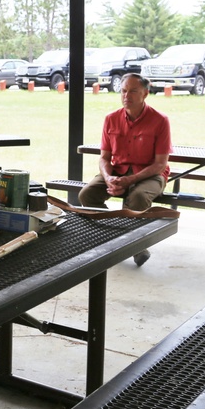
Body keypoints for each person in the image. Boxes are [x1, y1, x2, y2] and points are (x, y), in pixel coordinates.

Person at [79, 73, 172, 266]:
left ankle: (135, 246)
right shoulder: (111, 119)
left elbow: (160, 164)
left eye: (133, 91)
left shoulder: (160, 120)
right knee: (86, 195)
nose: (126, 96)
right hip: (118, 171)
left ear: (145, 94)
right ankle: (114, 236)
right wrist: (108, 178)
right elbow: (104, 157)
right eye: (123, 91)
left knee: (137, 197)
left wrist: (129, 181)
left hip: (151, 174)